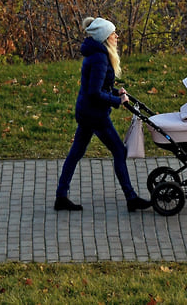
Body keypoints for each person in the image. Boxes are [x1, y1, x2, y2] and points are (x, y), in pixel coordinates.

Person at [54, 16, 151, 212]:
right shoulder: (100, 58)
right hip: (94, 115)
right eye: (113, 33)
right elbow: (94, 92)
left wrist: (117, 92)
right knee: (119, 151)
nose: (117, 36)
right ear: (106, 37)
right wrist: (118, 101)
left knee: (76, 153)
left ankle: (61, 196)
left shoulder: (98, 54)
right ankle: (131, 198)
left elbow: (99, 86)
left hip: (86, 111)